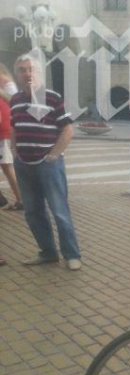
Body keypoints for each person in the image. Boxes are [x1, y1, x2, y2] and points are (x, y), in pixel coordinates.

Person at [10, 54, 81, 270]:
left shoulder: (52, 97)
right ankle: (48, 252)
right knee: (33, 213)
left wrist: (54, 155)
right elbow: (14, 126)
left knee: (59, 211)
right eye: (22, 70)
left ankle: (71, 254)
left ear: (39, 72)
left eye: (31, 69)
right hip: (24, 164)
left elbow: (68, 129)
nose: (27, 73)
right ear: (17, 75)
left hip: (48, 165)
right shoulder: (15, 100)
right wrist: (14, 150)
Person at [0, 64, 22, 210]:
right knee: (6, 166)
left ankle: (22, 199)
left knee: (7, 166)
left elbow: (15, 101)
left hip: (5, 129)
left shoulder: (6, 81)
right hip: (4, 128)